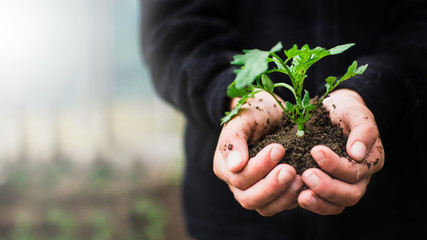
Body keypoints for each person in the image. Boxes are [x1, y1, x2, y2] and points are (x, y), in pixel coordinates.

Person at [141, 0, 427, 239]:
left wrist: (369, 92)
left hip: (395, 209)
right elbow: (173, 29)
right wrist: (238, 95)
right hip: (232, 223)